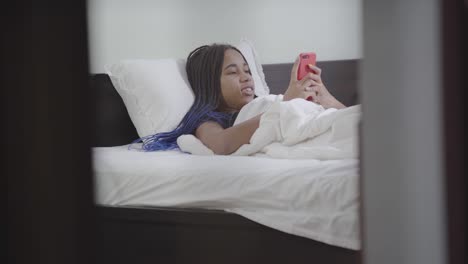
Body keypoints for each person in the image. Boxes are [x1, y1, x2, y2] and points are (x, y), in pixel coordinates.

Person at [132, 43, 345, 154]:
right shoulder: (209, 120)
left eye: (247, 71)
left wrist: (325, 98)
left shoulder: (267, 101)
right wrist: (285, 104)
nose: (246, 78)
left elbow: (345, 117)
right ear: (211, 84)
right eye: (233, 72)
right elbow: (221, 145)